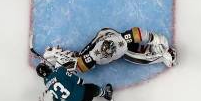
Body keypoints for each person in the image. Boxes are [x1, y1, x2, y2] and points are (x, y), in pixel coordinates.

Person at [42, 27, 177, 73]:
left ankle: (161, 55)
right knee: (82, 61)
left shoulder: (121, 42)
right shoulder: (97, 56)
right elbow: (81, 66)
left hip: (108, 34)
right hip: (104, 36)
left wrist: (155, 38)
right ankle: (60, 56)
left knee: (131, 55)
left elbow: (137, 33)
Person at [36, 62, 113, 101]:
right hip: (83, 99)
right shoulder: (60, 70)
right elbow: (80, 81)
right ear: (48, 68)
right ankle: (106, 94)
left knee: (55, 99)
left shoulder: (46, 83)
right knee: (92, 88)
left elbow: (52, 79)